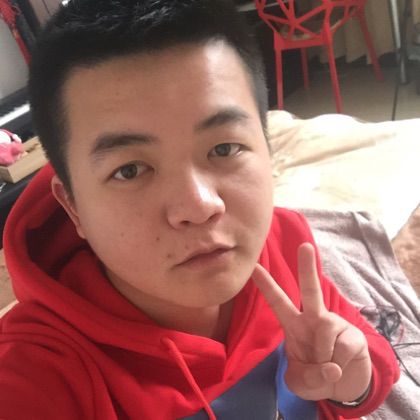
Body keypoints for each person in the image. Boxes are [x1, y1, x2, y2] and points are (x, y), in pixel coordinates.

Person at [0, 1, 399, 419]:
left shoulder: (286, 245)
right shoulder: (39, 374)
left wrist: (353, 388)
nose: (199, 206)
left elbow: (362, 360)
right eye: (130, 170)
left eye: (223, 148)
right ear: (73, 207)